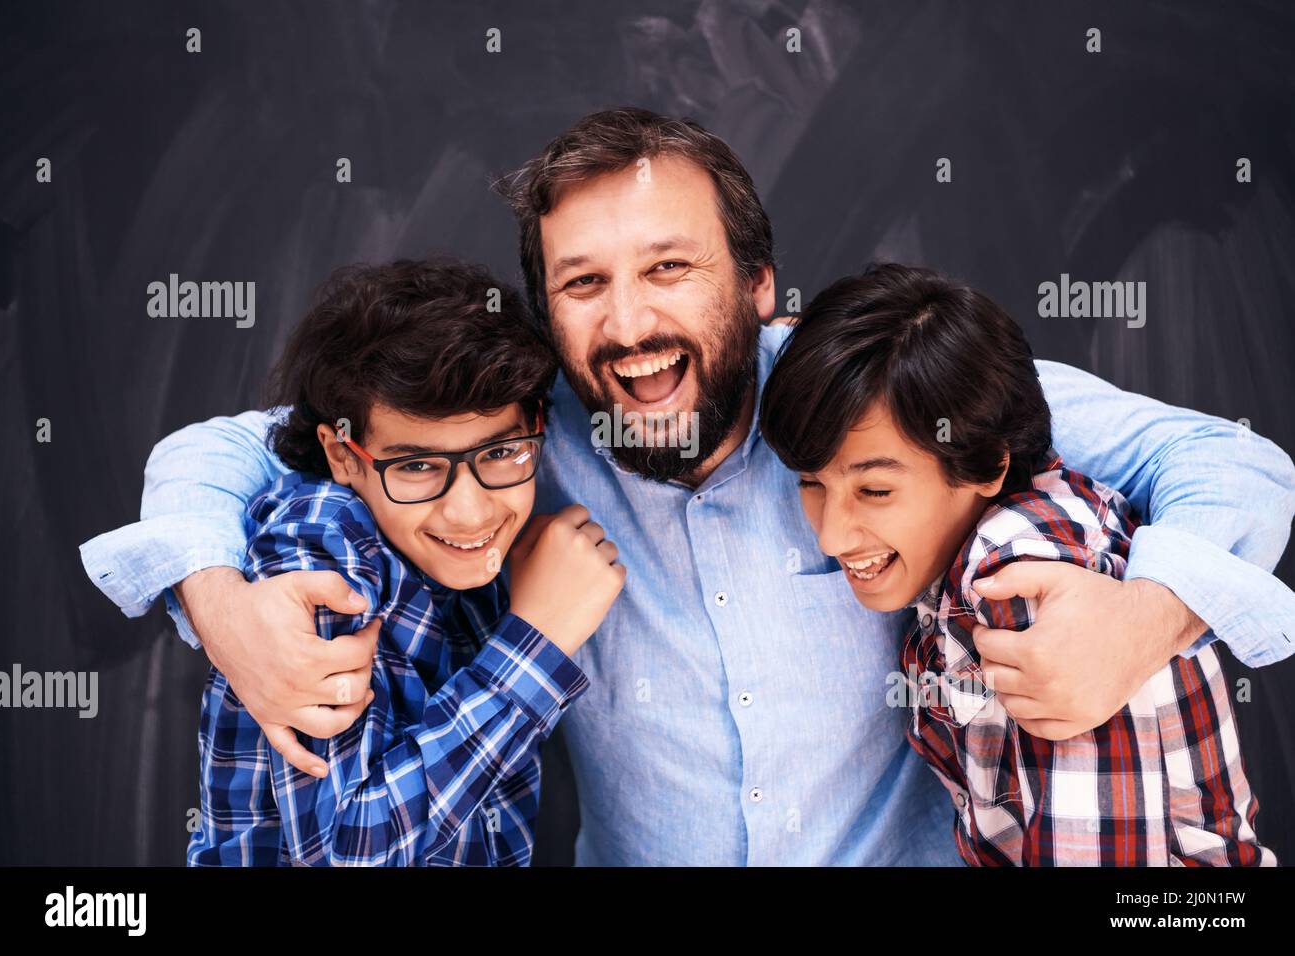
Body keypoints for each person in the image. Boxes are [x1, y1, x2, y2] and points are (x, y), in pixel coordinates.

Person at [81, 108, 1295, 865]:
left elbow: (1228, 460)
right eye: (584, 282)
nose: (630, 322)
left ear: (762, 285)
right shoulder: (511, 441)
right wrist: (218, 600)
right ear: (546, 310)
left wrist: (1147, 618)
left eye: (669, 267)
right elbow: (221, 448)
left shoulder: (870, 391)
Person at [759, 263, 1274, 866]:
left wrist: (1148, 617)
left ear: (985, 466)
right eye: (811, 484)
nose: (831, 535)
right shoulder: (964, 541)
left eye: (875, 491)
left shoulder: (1018, 578)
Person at [188, 258, 623, 865]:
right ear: (344, 456)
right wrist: (536, 643)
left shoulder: (473, 556)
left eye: (500, 450)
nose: (470, 513)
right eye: (417, 466)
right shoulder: (318, 548)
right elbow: (350, 850)